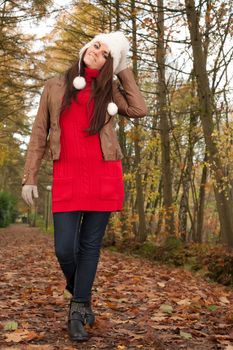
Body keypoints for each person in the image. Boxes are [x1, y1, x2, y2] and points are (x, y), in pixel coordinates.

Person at [21, 31, 147, 342]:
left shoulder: (110, 90)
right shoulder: (55, 85)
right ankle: (82, 295)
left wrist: (122, 68)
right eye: (96, 45)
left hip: (104, 175)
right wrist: (30, 177)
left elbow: (139, 109)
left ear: (110, 63)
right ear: (85, 46)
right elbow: (39, 133)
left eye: (106, 53)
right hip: (66, 176)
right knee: (64, 248)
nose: (97, 53)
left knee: (89, 247)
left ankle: (77, 309)